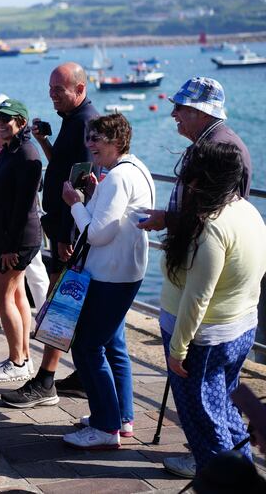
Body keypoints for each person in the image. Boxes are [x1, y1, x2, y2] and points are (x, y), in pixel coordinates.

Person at [158, 141, 265, 476]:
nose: (187, 185)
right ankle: (243, 471)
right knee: (224, 404)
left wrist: (178, 349)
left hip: (202, 339)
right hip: (238, 329)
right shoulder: (247, 210)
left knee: (203, 418)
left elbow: (196, 297)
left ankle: (226, 480)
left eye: (191, 178)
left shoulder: (212, 227)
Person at [2, 62, 99, 408]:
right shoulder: (74, 121)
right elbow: (63, 167)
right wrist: (44, 142)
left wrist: (66, 233)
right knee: (73, 307)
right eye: (50, 90)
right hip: (64, 226)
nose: (52, 96)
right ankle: (85, 375)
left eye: (59, 90)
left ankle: (45, 382)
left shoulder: (86, 123)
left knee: (61, 306)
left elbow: (85, 182)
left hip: (69, 232)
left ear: (80, 89)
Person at [55, 114, 155, 449]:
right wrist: (96, 196)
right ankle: (122, 417)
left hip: (110, 274)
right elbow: (117, 217)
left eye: (96, 138)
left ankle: (105, 425)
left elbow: (97, 233)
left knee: (86, 346)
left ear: (115, 141)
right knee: (113, 344)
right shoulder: (135, 168)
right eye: (89, 137)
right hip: (128, 271)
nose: (89, 144)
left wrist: (76, 205)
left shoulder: (117, 178)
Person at [0, 99, 42, 383]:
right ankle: (22, 356)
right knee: (16, 295)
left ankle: (18, 361)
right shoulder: (7, 152)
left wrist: (10, 247)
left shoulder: (27, 154)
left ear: (21, 123)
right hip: (5, 235)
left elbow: (23, 206)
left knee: (1, 296)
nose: (1, 123)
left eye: (8, 119)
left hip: (19, 239)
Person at [140, 77, 252, 233]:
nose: (173, 113)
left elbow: (208, 218)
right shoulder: (218, 141)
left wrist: (166, 219)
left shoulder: (218, 149)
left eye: (179, 106)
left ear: (203, 113)